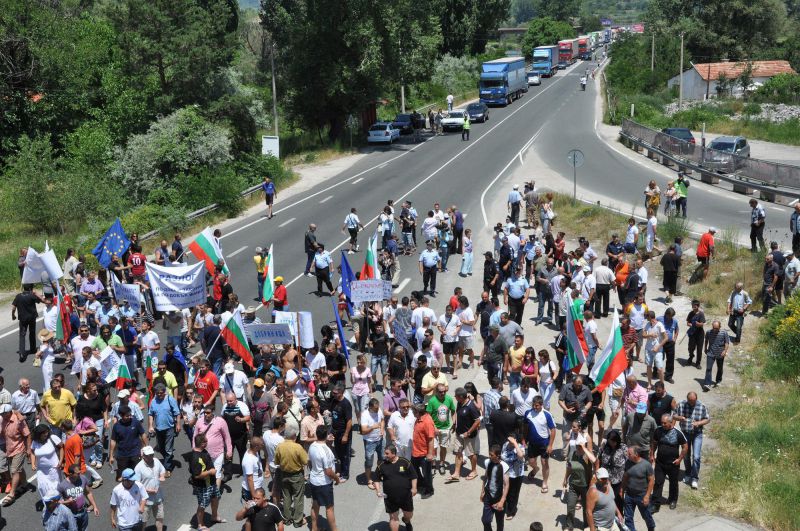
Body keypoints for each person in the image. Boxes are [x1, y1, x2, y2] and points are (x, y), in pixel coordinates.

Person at [650, 413, 687, 513]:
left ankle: (672, 500)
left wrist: (680, 459)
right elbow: (654, 443)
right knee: (658, 482)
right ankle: (656, 504)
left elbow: (685, 446)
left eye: (665, 423)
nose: (663, 424)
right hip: (660, 463)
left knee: (673, 483)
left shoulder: (678, 433)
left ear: (671, 422)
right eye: (662, 422)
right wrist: (652, 455)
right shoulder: (658, 431)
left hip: (673, 464)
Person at [374, 444, 417, 531]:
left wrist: (414, 488)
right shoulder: (381, 465)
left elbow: (414, 476)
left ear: (393, 454)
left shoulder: (405, 462)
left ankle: (406, 521)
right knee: (393, 518)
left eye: (387, 453)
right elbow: (376, 479)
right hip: (390, 497)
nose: (384, 455)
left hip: (406, 496)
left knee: (408, 514)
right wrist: (378, 491)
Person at [274, 429, 309, 527]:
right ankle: (297, 521)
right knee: (298, 497)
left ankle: (287, 519)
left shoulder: (279, 447)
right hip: (297, 475)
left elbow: (276, 462)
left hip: (284, 474)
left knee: (286, 496)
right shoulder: (298, 447)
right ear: (294, 436)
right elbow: (305, 461)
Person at [308, 425, 339, 531]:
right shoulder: (326, 451)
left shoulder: (312, 446)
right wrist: (337, 479)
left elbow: (309, 462)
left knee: (315, 505)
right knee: (329, 508)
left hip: (313, 480)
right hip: (324, 483)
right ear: (326, 435)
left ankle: (314, 528)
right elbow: (328, 471)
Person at [523, 396, 556, 493]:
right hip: (532, 444)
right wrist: (524, 439)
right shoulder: (528, 413)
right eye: (533, 405)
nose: (535, 407)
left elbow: (553, 430)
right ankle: (535, 469)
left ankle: (544, 482)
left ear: (541, 405)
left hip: (544, 444)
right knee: (531, 462)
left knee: (544, 463)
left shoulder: (547, 415)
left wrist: (550, 445)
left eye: (537, 405)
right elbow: (525, 427)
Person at [563, 437, 596, 531]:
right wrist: (565, 479)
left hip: (586, 486)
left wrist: (585, 449)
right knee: (570, 506)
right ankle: (569, 526)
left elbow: (595, 461)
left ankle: (587, 526)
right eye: (577, 445)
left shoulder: (587, 456)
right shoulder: (573, 454)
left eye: (579, 446)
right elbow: (569, 467)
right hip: (573, 485)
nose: (577, 447)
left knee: (587, 509)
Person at [147, 384, 180, 477]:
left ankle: (167, 468)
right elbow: (151, 414)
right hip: (158, 429)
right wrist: (150, 426)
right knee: (161, 448)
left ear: (164, 392)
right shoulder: (153, 401)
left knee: (168, 449)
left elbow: (177, 413)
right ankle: (168, 458)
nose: (159, 395)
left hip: (169, 428)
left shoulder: (170, 400)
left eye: (161, 393)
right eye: (157, 393)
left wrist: (178, 424)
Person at [450, 387, 481, 482]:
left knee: (471, 454)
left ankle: (474, 471)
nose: (455, 398)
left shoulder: (471, 406)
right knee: (458, 452)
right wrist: (454, 424)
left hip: (469, 436)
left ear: (460, 397)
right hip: (459, 434)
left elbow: (477, 421)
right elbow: (457, 413)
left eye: (456, 396)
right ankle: (456, 473)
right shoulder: (459, 403)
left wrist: (468, 432)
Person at [621, 447, 656, 531]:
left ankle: (651, 527)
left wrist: (647, 496)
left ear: (636, 455)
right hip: (629, 494)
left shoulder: (646, 465)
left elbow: (651, 481)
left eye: (629, 454)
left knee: (646, 515)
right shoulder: (628, 463)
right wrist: (622, 490)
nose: (627, 455)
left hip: (641, 495)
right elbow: (625, 477)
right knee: (628, 517)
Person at [110, 405, 147, 481]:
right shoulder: (116, 426)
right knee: (124, 476)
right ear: (121, 416)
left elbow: (143, 434)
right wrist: (111, 455)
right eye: (127, 416)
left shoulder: (135, 422)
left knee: (136, 473)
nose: (130, 417)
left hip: (135, 452)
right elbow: (113, 440)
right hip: (122, 454)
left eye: (130, 415)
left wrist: (147, 447)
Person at [58, 463, 100, 531]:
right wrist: (68, 501)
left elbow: (88, 493)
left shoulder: (83, 478)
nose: (79, 474)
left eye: (80, 472)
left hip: (83, 511)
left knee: (84, 529)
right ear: (70, 474)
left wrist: (95, 507)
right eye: (77, 473)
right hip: (71, 514)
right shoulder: (62, 486)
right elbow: (57, 502)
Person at [134, 446, 166, 531]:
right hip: (145, 500)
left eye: (152, 454)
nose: (151, 456)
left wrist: (162, 476)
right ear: (143, 455)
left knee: (160, 517)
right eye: (148, 455)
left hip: (158, 496)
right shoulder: (138, 467)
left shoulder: (157, 461)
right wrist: (148, 490)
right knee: (143, 520)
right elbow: (136, 485)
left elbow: (163, 470)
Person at [426, 385, 456, 476]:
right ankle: (433, 464)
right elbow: (428, 416)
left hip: (445, 428)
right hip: (433, 429)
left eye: (444, 391)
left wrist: (454, 423)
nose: (442, 393)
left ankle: (442, 464)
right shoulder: (432, 401)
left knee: (443, 447)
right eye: (440, 392)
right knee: (433, 447)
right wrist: (434, 427)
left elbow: (453, 411)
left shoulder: (449, 399)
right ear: (436, 391)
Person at [597, 430, 628, 515]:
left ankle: (619, 518)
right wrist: (596, 472)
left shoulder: (623, 448)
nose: (613, 443)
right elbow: (598, 459)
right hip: (605, 479)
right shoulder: (604, 446)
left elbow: (628, 462)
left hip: (618, 480)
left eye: (614, 441)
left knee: (618, 500)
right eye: (611, 441)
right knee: (605, 500)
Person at [481, 445, 509, 531]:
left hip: (499, 498)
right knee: (485, 520)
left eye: (491, 455)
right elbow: (485, 477)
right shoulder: (488, 462)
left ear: (498, 456)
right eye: (489, 454)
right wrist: (482, 491)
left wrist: (501, 501)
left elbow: (506, 485)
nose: (489, 456)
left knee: (499, 522)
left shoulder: (504, 466)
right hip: (488, 496)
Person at [330, 384, 352, 481]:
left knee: (345, 454)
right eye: (333, 392)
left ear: (341, 393)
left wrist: (346, 435)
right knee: (338, 452)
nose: (333, 394)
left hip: (343, 433)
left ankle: (345, 474)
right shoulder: (334, 401)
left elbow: (349, 421)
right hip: (335, 432)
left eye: (335, 393)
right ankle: (340, 470)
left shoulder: (346, 404)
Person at [361, 397, 385, 490]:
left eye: (378, 407)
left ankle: (378, 474)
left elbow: (382, 420)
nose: (377, 410)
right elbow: (363, 431)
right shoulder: (365, 415)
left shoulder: (378, 410)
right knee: (369, 462)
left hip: (380, 439)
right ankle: (369, 479)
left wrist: (382, 429)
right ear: (370, 407)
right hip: (370, 441)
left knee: (382, 458)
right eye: (375, 409)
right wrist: (372, 427)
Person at [12, 284, 40, 362]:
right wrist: (35, 294)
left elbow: (13, 307)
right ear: (31, 288)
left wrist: (13, 315)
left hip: (22, 319)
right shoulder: (32, 295)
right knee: (32, 332)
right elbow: (39, 301)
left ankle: (22, 352)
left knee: (22, 335)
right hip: (31, 318)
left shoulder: (18, 296)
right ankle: (33, 349)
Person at [702, 320, 730, 392]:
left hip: (720, 353)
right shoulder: (709, 332)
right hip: (711, 353)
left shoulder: (724, 333)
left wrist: (725, 351)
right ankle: (707, 383)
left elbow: (727, 343)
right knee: (708, 368)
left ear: (720, 327)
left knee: (720, 368)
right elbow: (706, 340)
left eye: (716, 328)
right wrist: (705, 348)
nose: (715, 330)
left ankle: (718, 381)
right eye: (714, 328)